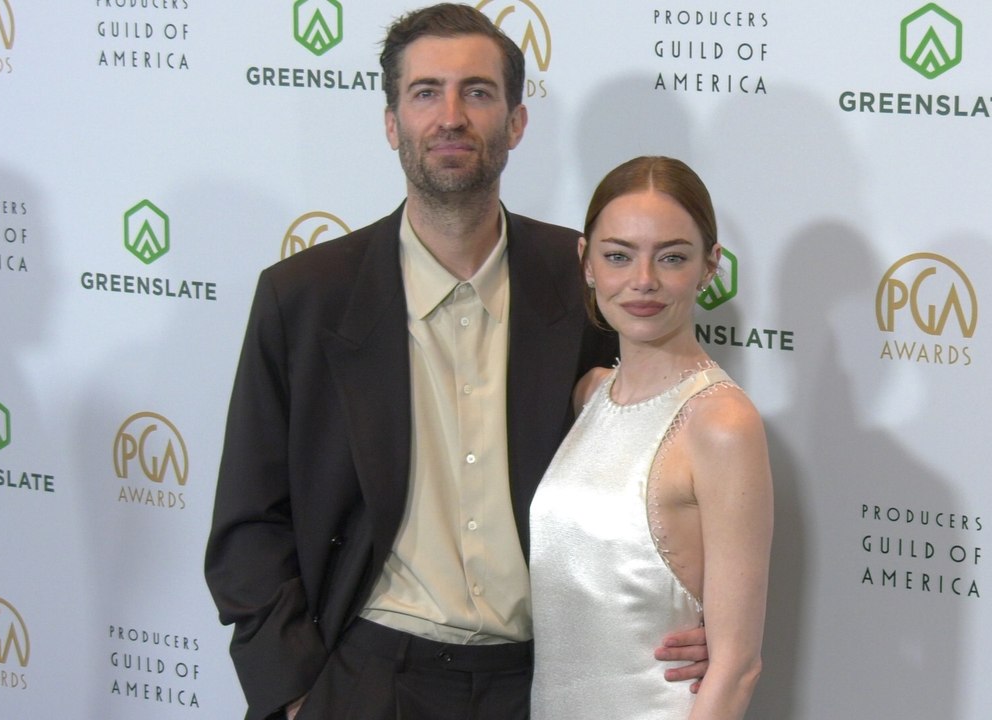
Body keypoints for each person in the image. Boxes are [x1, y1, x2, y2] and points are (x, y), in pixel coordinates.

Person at [204, 6, 707, 720]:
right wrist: (294, 693)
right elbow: (249, 521)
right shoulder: (305, 298)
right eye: (425, 93)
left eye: (476, 92)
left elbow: (658, 471)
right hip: (365, 681)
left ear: (516, 122)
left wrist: (695, 612)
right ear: (391, 123)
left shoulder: (590, 282)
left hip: (550, 682)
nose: (450, 116)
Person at [529, 156, 774, 720]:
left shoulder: (722, 423)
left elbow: (737, 667)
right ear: (587, 263)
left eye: (672, 257)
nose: (643, 280)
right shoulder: (589, 395)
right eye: (618, 256)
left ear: (710, 267)